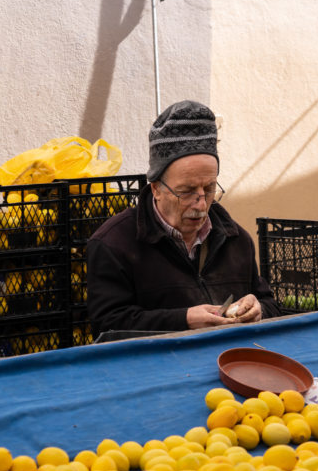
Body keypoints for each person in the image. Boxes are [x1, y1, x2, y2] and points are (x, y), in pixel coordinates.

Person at [86, 100, 281, 336]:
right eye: (187, 191)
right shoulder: (113, 244)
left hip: (229, 364)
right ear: (156, 188)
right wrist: (184, 319)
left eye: (209, 189)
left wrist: (260, 310)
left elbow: (270, 304)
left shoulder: (237, 240)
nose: (200, 204)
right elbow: (107, 325)